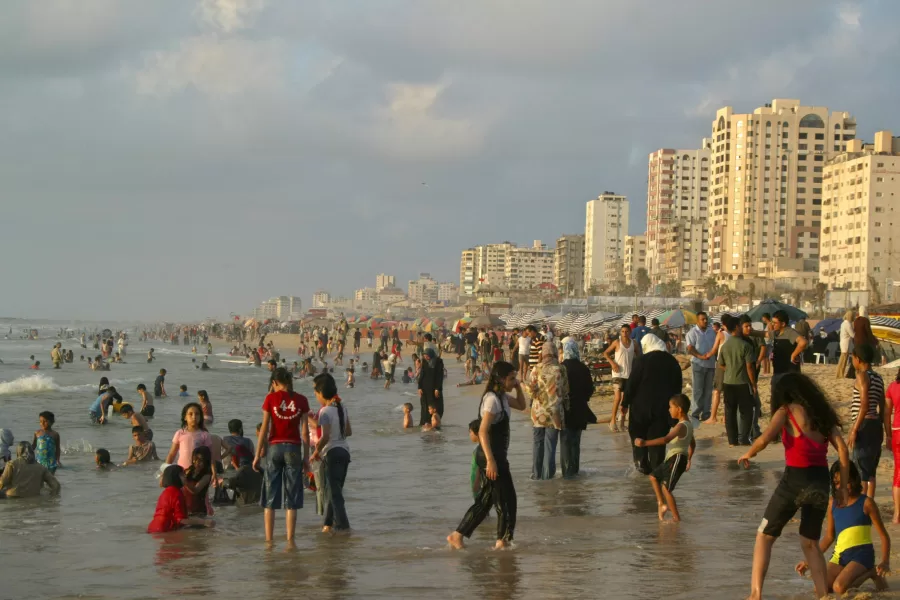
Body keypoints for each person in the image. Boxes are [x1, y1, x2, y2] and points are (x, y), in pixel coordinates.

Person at [738, 373, 850, 600]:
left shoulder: (786, 411)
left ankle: (755, 594)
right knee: (810, 543)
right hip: (820, 481)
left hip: (794, 480)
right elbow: (844, 451)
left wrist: (749, 452)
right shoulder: (823, 415)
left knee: (765, 535)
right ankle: (822, 595)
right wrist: (843, 487)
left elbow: (765, 438)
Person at [448, 361, 527, 550]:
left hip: (495, 455)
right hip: (491, 456)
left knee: (487, 500)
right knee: (507, 499)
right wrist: (491, 461)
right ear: (500, 379)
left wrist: (518, 388)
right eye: (511, 378)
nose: (513, 381)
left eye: (514, 377)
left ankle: (457, 535)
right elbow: (483, 432)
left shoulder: (502, 397)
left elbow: (522, 405)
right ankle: (502, 541)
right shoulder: (492, 400)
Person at [795, 461, 890, 595]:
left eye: (847, 482)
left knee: (839, 588)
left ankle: (870, 572)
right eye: (837, 483)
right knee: (820, 589)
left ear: (855, 480)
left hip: (862, 555)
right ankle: (863, 573)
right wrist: (809, 560)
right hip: (840, 556)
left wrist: (885, 562)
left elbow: (884, 536)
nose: (842, 487)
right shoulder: (832, 504)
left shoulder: (866, 503)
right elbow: (829, 536)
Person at [254, 367, 310, 544]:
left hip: (275, 448)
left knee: (270, 496)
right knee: (292, 496)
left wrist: (257, 455)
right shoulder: (301, 400)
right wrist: (306, 458)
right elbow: (305, 432)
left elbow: (264, 428)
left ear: (275, 382)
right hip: (293, 448)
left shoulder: (270, 398)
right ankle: (290, 541)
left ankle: (269, 541)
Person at [624, 334, 683, 475]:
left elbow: (632, 384)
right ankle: (657, 476)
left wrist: (624, 403)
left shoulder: (641, 360)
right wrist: (676, 415)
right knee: (657, 445)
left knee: (639, 441)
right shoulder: (672, 362)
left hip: (640, 410)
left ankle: (641, 472)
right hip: (663, 410)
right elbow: (677, 389)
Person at [633, 394, 695, 522]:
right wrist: (689, 458)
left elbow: (666, 439)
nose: (669, 410)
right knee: (653, 477)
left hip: (677, 459)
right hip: (673, 459)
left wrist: (644, 443)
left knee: (666, 489)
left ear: (679, 409)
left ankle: (676, 518)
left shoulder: (681, 426)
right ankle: (661, 504)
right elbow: (692, 443)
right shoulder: (688, 425)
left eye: (670, 407)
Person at [311, 373, 351, 533]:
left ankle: (343, 527)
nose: (315, 396)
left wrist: (315, 452)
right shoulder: (343, 408)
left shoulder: (325, 411)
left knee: (334, 494)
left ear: (321, 393)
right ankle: (328, 524)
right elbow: (348, 431)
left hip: (332, 454)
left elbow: (325, 436)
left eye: (316, 393)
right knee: (334, 491)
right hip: (345, 452)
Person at [848, 344, 885, 499]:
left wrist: (854, 429)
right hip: (875, 424)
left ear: (858, 359)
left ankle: (862, 505)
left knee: (861, 468)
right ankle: (869, 503)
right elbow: (882, 405)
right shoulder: (878, 377)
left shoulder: (862, 376)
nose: (852, 361)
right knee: (871, 470)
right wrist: (880, 424)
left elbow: (863, 406)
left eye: (853, 358)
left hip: (863, 424)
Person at [527, 342, 566, 480]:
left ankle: (536, 476)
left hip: (538, 414)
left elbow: (530, 391)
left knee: (538, 444)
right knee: (550, 445)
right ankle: (547, 476)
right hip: (554, 413)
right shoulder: (561, 369)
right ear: (555, 352)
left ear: (542, 353)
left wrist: (538, 398)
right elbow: (565, 391)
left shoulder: (536, 369)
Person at [716, 315, 757, 446]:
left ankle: (732, 441)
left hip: (728, 383)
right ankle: (744, 438)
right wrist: (754, 384)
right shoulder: (745, 345)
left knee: (730, 412)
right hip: (743, 383)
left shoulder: (725, 345)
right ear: (737, 327)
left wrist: (730, 369)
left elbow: (720, 364)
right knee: (746, 412)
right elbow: (749, 367)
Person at [560, 337, 596, 478]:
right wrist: (583, 398)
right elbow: (590, 389)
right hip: (581, 409)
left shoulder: (561, 367)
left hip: (566, 410)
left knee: (565, 443)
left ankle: (567, 474)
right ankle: (575, 471)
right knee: (576, 442)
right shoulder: (583, 368)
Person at [147, 465, 214, 533]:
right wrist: (204, 522)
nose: (185, 476)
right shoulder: (177, 493)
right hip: (164, 529)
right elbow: (181, 520)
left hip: (153, 527)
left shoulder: (165, 492)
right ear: (175, 477)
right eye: (182, 474)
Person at [771, 310, 807, 414]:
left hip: (788, 372)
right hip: (778, 370)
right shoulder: (777, 333)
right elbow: (764, 334)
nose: (773, 324)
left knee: (790, 401)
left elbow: (803, 342)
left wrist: (793, 354)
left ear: (783, 323)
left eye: (775, 322)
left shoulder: (790, 332)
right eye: (772, 322)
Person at [165, 403, 215, 478]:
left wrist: (214, 473)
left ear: (201, 417)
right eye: (190, 414)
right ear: (185, 417)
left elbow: (210, 456)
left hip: (198, 472)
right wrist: (165, 471)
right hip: (182, 472)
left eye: (197, 414)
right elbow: (172, 454)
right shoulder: (180, 433)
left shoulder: (204, 435)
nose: (194, 417)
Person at [685, 312, 717, 423]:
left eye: (706, 319)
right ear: (697, 321)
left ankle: (706, 413)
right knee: (698, 391)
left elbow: (715, 347)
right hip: (698, 364)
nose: (705, 321)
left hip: (711, 364)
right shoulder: (692, 333)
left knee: (708, 390)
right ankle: (695, 414)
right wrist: (700, 356)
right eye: (703, 319)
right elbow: (690, 348)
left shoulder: (712, 332)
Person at [603, 324, 634, 432]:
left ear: (630, 332)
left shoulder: (633, 343)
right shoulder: (617, 342)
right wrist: (612, 363)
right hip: (617, 374)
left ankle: (622, 423)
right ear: (620, 332)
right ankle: (612, 421)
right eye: (623, 331)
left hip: (629, 374)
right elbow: (605, 353)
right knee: (617, 398)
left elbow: (639, 356)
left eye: (626, 331)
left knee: (626, 400)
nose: (624, 333)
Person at [885, 368, 900, 524]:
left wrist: (888, 435)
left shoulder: (892, 387)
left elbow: (886, 413)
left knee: (898, 472)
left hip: (897, 431)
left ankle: (897, 514)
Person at [183, 446, 213, 516]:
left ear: (206, 461)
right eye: (195, 459)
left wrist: (184, 481)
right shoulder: (189, 470)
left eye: (200, 460)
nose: (197, 462)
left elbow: (195, 490)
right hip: (185, 509)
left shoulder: (207, 475)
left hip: (198, 511)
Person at [417, 348, 444, 426]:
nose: (426, 357)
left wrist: (437, 388)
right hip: (425, 389)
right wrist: (419, 387)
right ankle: (425, 423)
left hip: (434, 389)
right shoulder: (424, 362)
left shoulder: (438, 362)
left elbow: (439, 376)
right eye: (424, 355)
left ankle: (435, 424)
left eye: (427, 355)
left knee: (436, 406)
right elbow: (422, 375)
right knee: (425, 407)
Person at [837, 310, 855, 378]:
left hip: (842, 342)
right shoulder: (848, 324)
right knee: (844, 360)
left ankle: (839, 373)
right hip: (846, 343)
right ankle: (841, 374)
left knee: (842, 359)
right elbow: (852, 335)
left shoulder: (843, 323)